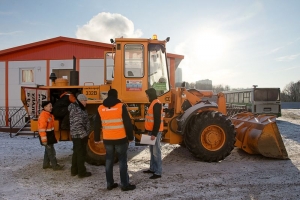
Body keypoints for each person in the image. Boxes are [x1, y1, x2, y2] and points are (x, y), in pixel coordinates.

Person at [94, 89, 136, 191]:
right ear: (116, 96)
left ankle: (109, 184)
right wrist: (130, 137)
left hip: (107, 139)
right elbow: (127, 124)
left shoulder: (100, 108)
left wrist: (96, 138)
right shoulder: (121, 106)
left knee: (108, 161)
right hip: (120, 139)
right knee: (122, 161)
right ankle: (125, 185)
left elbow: (96, 124)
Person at [68, 94, 91, 178]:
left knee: (77, 153)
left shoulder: (79, 108)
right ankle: (81, 172)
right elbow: (78, 124)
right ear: (81, 100)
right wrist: (84, 135)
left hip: (77, 135)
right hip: (79, 135)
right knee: (81, 154)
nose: (86, 102)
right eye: (85, 100)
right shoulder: (77, 109)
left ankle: (74, 170)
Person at [143, 88, 163, 179]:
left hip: (155, 132)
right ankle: (152, 168)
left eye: (147, 95)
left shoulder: (156, 104)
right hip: (151, 131)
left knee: (156, 152)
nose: (146, 96)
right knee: (152, 151)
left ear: (150, 95)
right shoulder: (153, 103)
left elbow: (157, 120)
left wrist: (154, 134)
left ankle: (158, 172)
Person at [38, 101, 64, 171]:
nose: (51, 107)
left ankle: (46, 164)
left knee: (48, 151)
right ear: (45, 107)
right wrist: (44, 140)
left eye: (51, 106)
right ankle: (55, 166)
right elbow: (42, 129)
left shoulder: (48, 115)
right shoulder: (44, 116)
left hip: (49, 136)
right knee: (51, 152)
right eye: (50, 106)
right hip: (47, 136)